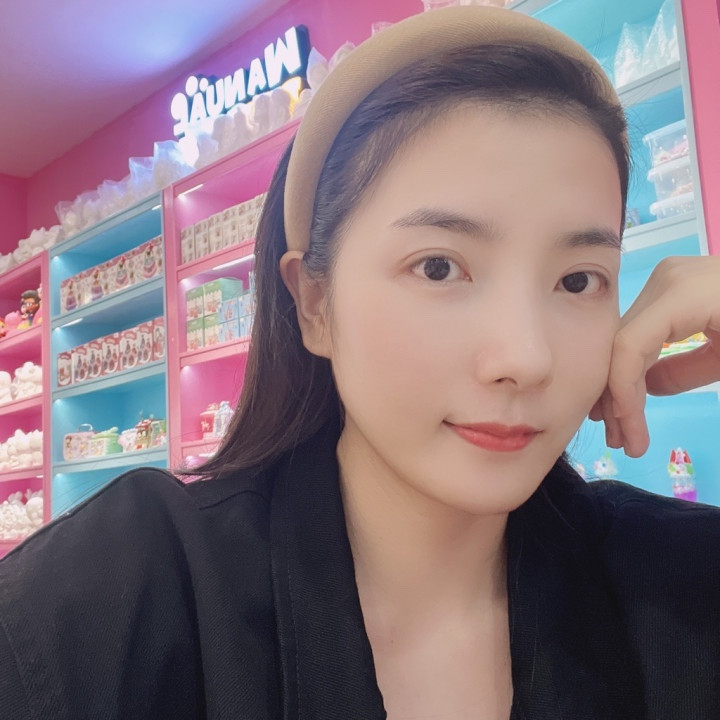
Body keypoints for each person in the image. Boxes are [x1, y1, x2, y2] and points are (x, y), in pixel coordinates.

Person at [2, 6, 720, 719]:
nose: (525, 359)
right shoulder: (126, 593)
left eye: (578, 280)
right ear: (315, 303)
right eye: (438, 267)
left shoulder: (679, 581)